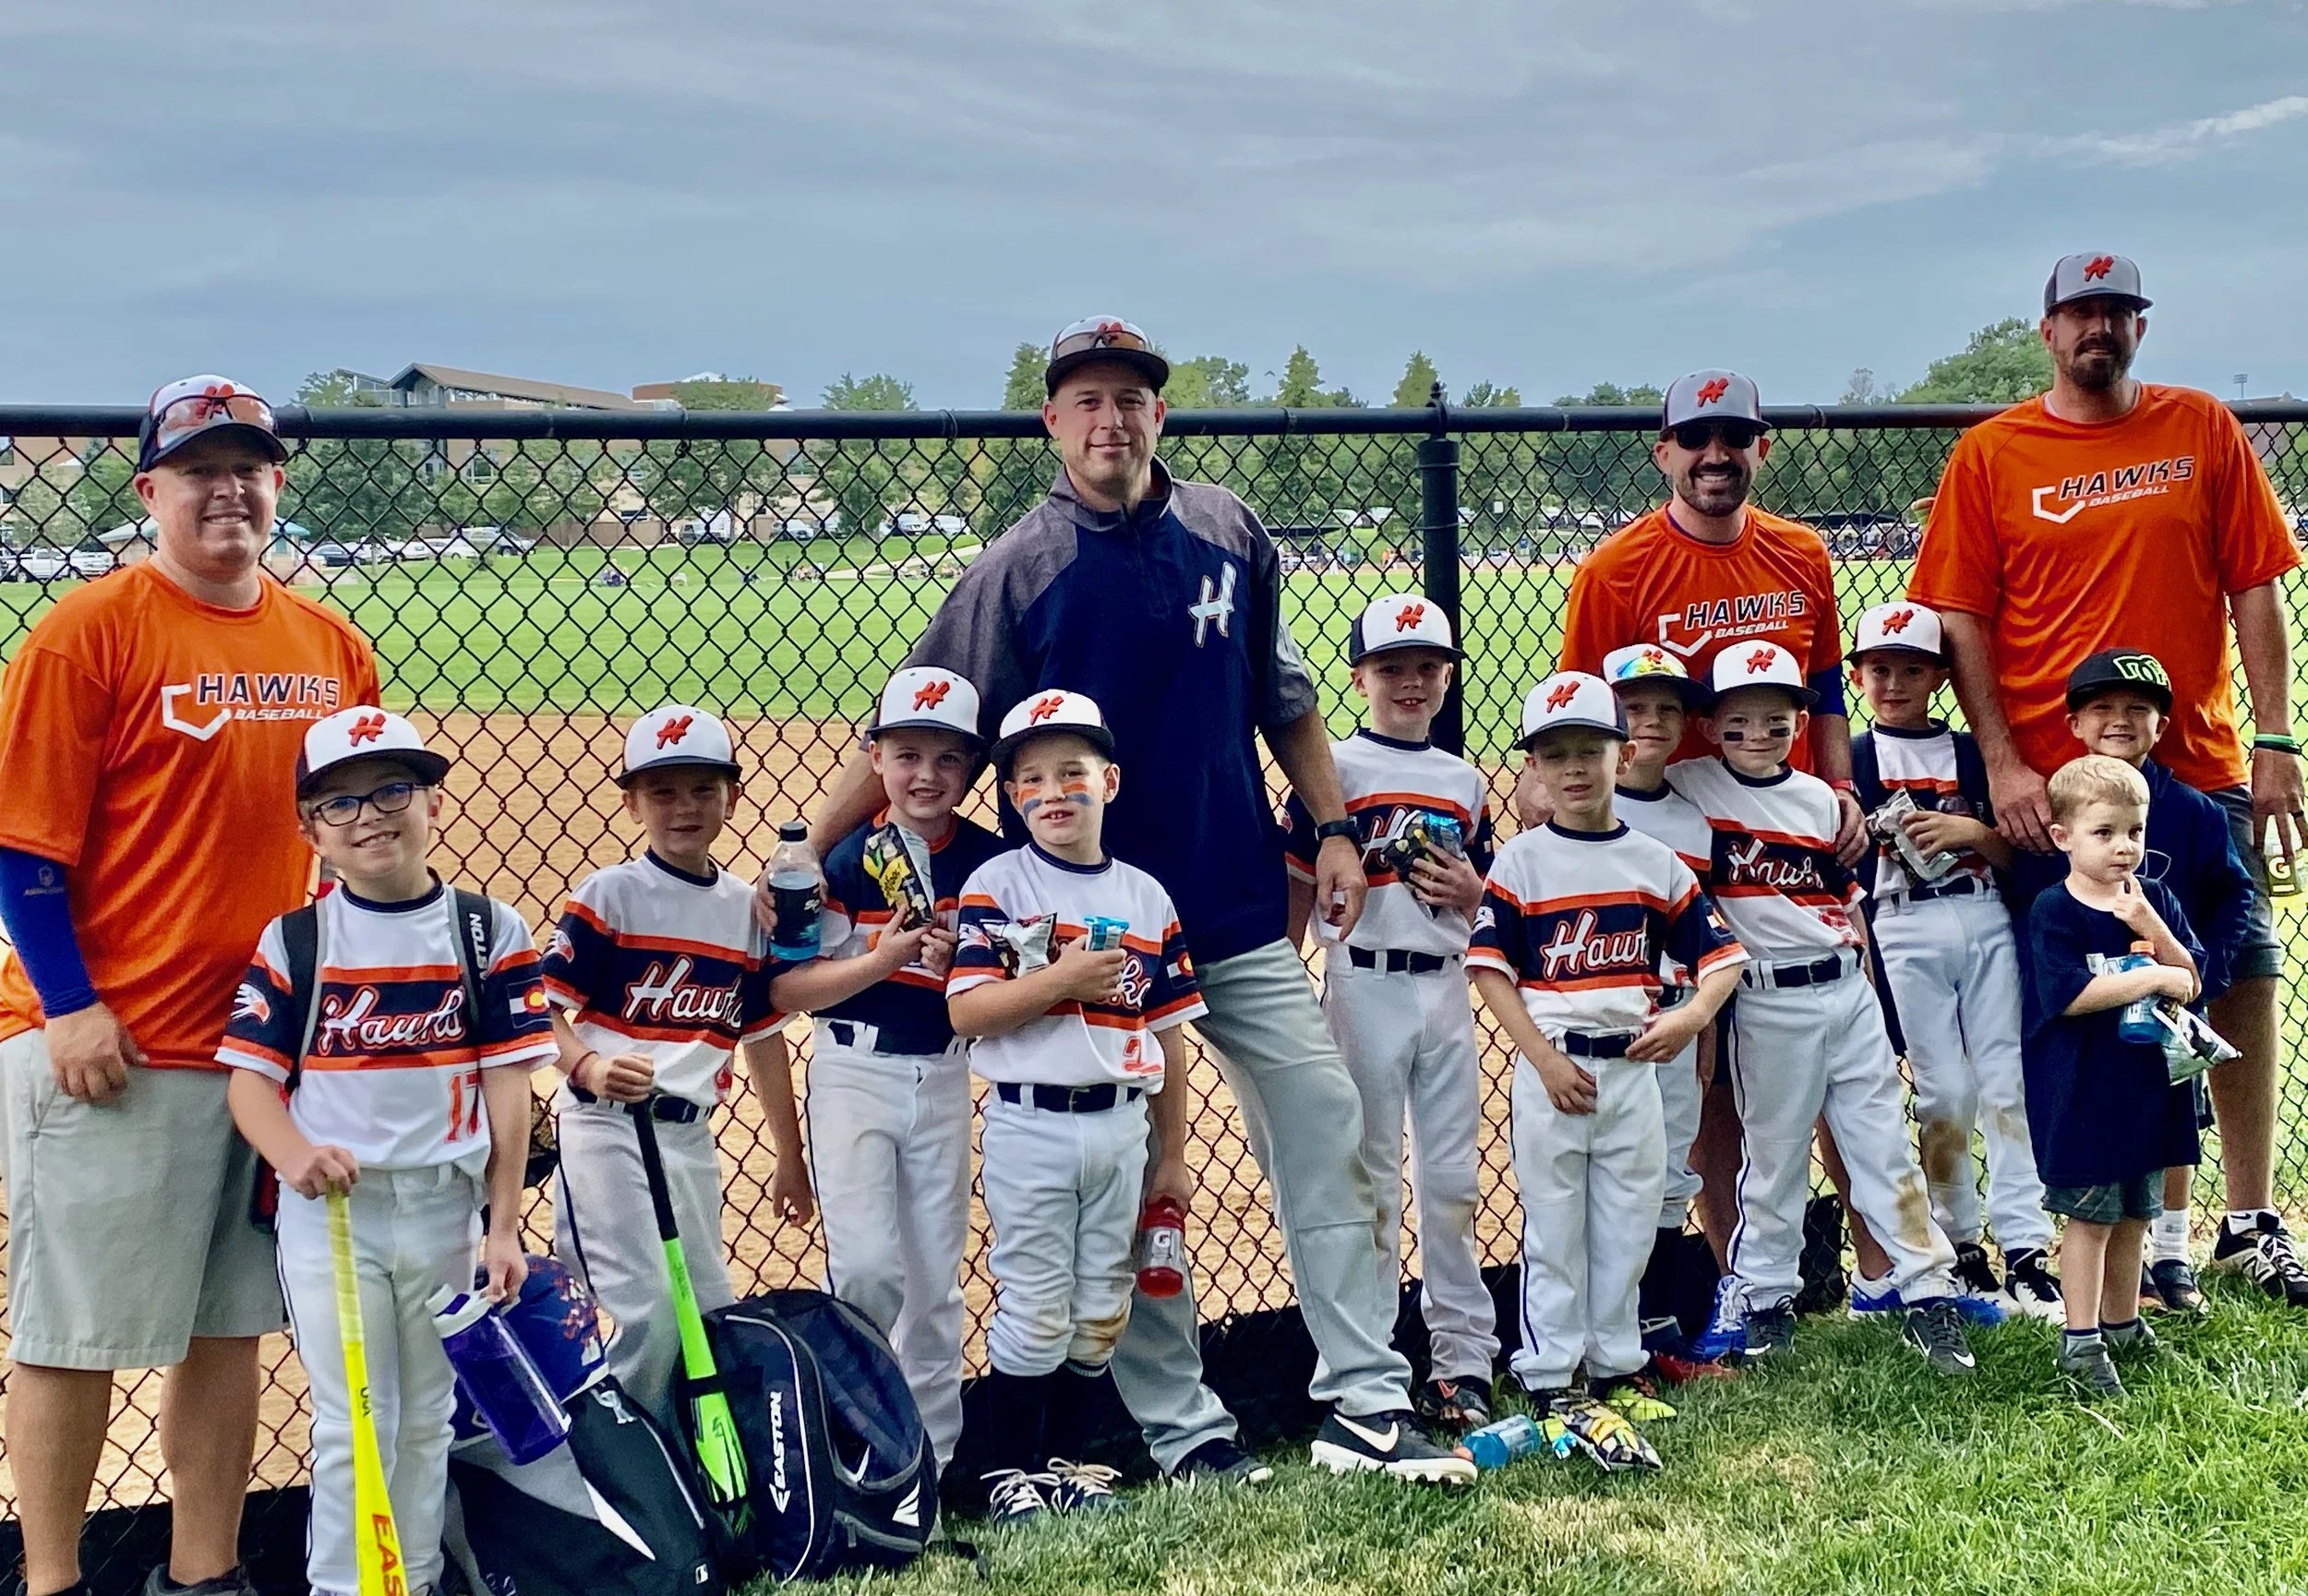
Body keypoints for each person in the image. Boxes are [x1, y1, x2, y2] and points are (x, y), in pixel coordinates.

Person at [799, 316, 1468, 1483]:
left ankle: (1364, 1395)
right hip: (1080, 926)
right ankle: (1182, 1423)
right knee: (1119, 1166)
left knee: (1322, 1126)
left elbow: (1289, 702)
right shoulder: (1013, 570)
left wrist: (1335, 828)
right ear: (1052, 421)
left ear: (1162, 412)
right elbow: (918, 720)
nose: (1112, 419)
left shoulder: (1228, 530)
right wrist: (805, 849)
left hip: (1228, 901)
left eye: (1133, 397)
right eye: (1086, 399)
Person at [0, 377, 379, 1596]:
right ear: (150, 489)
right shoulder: (91, 629)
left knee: (229, 1330)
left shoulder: (331, 648)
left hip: (262, 1059)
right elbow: (23, 844)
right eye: (199, 466)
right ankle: (49, 1579)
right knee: (76, 1333)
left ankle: (202, 1574)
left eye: (251, 465)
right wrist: (65, 1002)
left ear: (278, 484)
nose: (229, 486)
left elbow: (359, 844)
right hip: (113, 1044)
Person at [1910, 252, 2307, 1308]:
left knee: (2236, 966)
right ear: (2046, 330)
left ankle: (2246, 1217)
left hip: (2199, 761)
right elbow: (1960, 615)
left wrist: (2276, 738)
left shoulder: (2199, 428)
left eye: (2118, 312)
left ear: (2141, 326)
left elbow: (2256, 584)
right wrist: (2000, 760)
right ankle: (2086, 1230)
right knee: (2081, 1001)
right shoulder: (1993, 452)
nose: (2100, 328)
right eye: (2080, 312)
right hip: (2057, 786)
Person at [1557, 370, 1883, 1297]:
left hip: (1782, 845)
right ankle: (1743, 1279)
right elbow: (1583, 708)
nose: (1714, 455)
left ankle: (1878, 1268)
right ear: (1662, 453)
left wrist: (1836, 789)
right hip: (1675, 845)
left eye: (1733, 437)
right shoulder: (1614, 570)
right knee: (1705, 1079)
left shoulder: (1800, 554)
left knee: (1826, 1068)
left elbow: (1823, 689)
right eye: (1694, 438)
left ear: (1759, 450)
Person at [219, 708, 556, 1596]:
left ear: (431, 801)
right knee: (353, 1421)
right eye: (339, 803)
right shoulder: (299, 938)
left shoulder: (487, 931)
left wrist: (504, 1222)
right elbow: (249, 1084)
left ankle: (409, 1577)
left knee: (426, 1420)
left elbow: (509, 1090)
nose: (369, 816)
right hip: (337, 1215)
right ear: (309, 830)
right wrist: (292, 1151)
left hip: (446, 1207)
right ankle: (346, 1586)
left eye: (392, 790)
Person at [1670, 644, 1976, 1374]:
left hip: (1845, 988)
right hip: (1767, 997)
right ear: (1710, 727)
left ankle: (1926, 1288)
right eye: (1738, 721)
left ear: (1799, 722)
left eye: (1777, 720)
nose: (1758, 734)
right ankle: (1764, 1297)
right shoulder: (1690, 786)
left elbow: (1846, 900)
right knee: (1772, 1155)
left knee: (1882, 1144)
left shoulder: (1817, 799)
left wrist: (1867, 983)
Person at [1469, 671, 1745, 1467]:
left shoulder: (1653, 861)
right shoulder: (1522, 861)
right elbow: (1490, 970)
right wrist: (1542, 1058)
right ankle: (1554, 1375)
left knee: (1625, 1226)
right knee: (1556, 1228)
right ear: (1535, 770)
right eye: (1555, 756)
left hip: (1632, 1069)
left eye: (1590, 749)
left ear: (1622, 755)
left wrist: (1690, 1016)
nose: (1575, 768)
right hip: (1556, 1071)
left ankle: (1617, 1365)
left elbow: (1720, 955)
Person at [944, 692, 1202, 1524]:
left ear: (1110, 781)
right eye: (1032, 779)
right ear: (1014, 796)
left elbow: (1168, 1035)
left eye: (1072, 773)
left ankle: (1069, 1461)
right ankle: (1008, 1467)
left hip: (1122, 1121)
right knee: (1036, 1299)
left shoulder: (1146, 897)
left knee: (1103, 1300)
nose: (1054, 791)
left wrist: (1172, 1153)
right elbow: (967, 1010)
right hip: (1031, 1120)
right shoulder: (998, 882)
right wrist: (1061, 980)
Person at [540, 704, 812, 1423]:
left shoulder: (744, 910)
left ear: (733, 794)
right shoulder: (611, 896)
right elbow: (542, 1009)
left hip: (688, 1138)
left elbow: (762, 1035)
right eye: (661, 791)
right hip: (604, 1130)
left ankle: (694, 1477)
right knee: (648, 1314)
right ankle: (628, 1474)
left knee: (709, 1313)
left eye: (702, 788)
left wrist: (789, 1151)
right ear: (631, 802)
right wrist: (588, 1067)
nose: (684, 807)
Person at [769, 667, 1005, 1475]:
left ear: (970, 768)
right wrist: (882, 960)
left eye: (947, 759)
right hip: (852, 1071)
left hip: (941, 1077)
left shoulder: (986, 861)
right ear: (874, 757)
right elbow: (789, 988)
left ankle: (931, 1464)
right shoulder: (840, 859)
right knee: (868, 1268)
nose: (926, 775)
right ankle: (859, 1443)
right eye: (907, 754)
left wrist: (953, 967)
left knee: (936, 1281)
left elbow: (1003, 986)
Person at [1280, 595, 1498, 1433]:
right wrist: (1293, 973)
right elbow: (1303, 879)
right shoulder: (1336, 772)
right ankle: (1372, 1364)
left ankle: (1464, 1358)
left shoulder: (1463, 781)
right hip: (1361, 981)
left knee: (1452, 1180)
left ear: (1447, 678)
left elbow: (1488, 906)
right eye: (1392, 665)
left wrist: (1478, 895)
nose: (1411, 681)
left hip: (1443, 987)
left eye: (1427, 666)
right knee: (1367, 1177)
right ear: (1359, 676)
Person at [1845, 603, 2060, 1321]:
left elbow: (2012, 852)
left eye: (1913, 668)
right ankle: (1961, 1240)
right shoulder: (1854, 756)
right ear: (1858, 676)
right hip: (1903, 926)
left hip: (1981, 912)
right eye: (1880, 669)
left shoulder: (1969, 753)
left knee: (2006, 1081)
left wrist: (1972, 828)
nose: (1895, 682)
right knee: (1944, 1092)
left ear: (1941, 674)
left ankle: (2027, 1247)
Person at [2049, 650, 2255, 1314]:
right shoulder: (2068, 801)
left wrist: (2203, 973)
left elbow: (2234, 894)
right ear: (2076, 722)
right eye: (2103, 707)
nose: (2120, 719)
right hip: (2094, 1014)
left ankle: (2170, 1254)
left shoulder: (2190, 810)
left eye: (2137, 707)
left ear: (2161, 725)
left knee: (2173, 1124)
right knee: (2111, 1138)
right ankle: (2116, 1284)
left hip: (2167, 1004)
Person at [2023, 756, 2205, 1397]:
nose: (2123, 845)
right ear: (2063, 835)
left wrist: (2151, 927)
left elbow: (2193, 977)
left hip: (2147, 1091)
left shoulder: (2153, 902)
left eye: (2134, 830)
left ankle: (2123, 1323)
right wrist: (2150, 975)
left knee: (2134, 1215)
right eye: (2104, 832)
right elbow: (2068, 994)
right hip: (2084, 1094)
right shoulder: (2056, 909)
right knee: (2091, 1219)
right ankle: (2081, 1340)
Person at [1593, 645, 1739, 1371]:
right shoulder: (1587, 805)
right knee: (1605, 1163)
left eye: (1666, 707)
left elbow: (1701, 931)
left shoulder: (1691, 820)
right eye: (1633, 707)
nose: (1649, 721)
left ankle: (1649, 1325)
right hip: (1604, 1013)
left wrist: (1706, 1018)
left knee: (1667, 1168)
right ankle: (1602, 1324)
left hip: (1679, 1012)